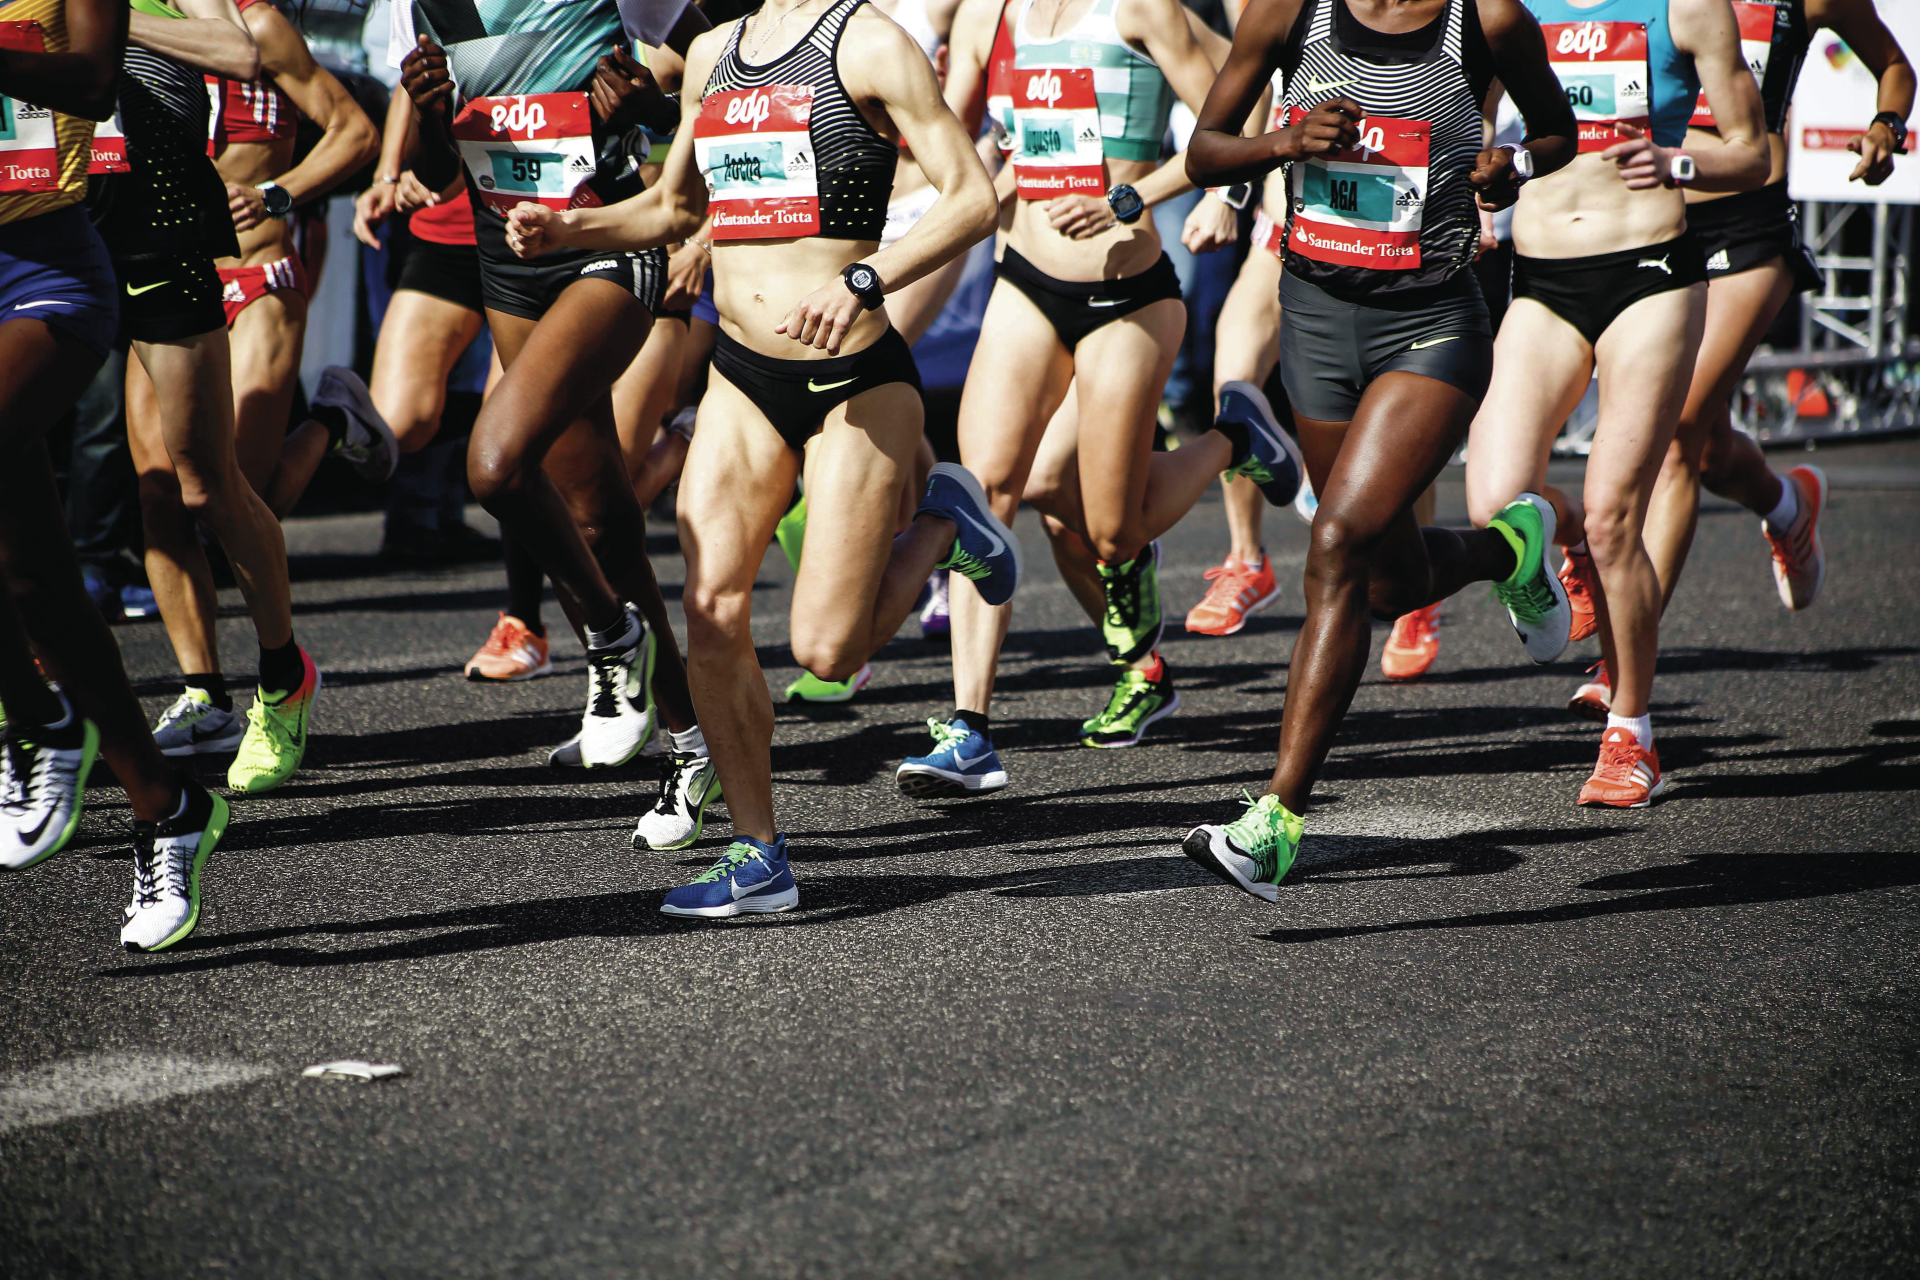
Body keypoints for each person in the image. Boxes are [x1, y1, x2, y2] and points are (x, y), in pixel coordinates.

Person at [502, 0, 1014, 916]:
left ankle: (944, 521)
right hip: (742, 378)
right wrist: (567, 231)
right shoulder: (709, 54)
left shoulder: (869, 42)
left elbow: (973, 197)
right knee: (711, 611)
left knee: (828, 647)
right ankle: (759, 852)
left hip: (856, 375)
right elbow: (671, 207)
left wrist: (867, 279)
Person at [1179, 0, 1581, 900]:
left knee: (1335, 542)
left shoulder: (1487, 19)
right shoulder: (1289, 12)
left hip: (1432, 324)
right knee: (1388, 582)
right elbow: (1206, 149)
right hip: (1316, 322)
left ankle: (1276, 822)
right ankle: (1509, 549)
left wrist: (1510, 166)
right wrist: (1284, 144)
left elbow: (1557, 133)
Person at [902, 0, 1306, 784]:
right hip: (1024, 281)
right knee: (982, 496)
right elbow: (943, 141)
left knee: (1115, 532)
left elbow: (1238, 117)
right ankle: (969, 729)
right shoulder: (991, 15)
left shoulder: (1138, 9)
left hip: (1128, 292)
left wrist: (1181, 198)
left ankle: (1236, 438)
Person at [394, 0, 717, 859]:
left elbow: (736, 69)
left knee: (496, 466)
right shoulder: (424, 4)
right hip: (507, 258)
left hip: (612, 239)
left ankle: (610, 637)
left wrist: (648, 107)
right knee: (603, 519)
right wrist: (427, 118)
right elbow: (438, 168)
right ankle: (694, 748)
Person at [1462, 0, 1769, 805]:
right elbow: (1471, 124)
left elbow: (1753, 155)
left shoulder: (1687, 9)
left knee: (1612, 514)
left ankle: (1632, 733)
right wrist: (1479, 193)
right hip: (1542, 280)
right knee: (1497, 501)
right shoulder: (1504, 10)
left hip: (1651, 276)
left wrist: (1680, 163)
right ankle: (1570, 553)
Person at [0, 0, 230, 953]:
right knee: (37, 578)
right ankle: (166, 804)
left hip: (44, 272)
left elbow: (94, 80)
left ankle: (42, 725)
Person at [1611, 0, 1914, 716]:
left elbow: (1894, 66)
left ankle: (1626, 668)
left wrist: (1884, 128)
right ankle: (1788, 504)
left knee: (1680, 430)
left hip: (1748, 225)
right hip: (1651, 214)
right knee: (1710, 447)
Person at [124, 0, 376, 793]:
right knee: (160, 497)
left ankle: (333, 421)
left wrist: (279, 193)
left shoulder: (259, 28)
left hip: (255, 277)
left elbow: (354, 132)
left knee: (240, 492)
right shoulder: (118, 26)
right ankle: (204, 691)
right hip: (162, 275)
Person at [100, 0, 315, 799]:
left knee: (208, 486)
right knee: (147, 492)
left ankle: (280, 676)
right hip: (62, 232)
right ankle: (182, 692)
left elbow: (235, 48)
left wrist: (111, 22)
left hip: (167, 237)